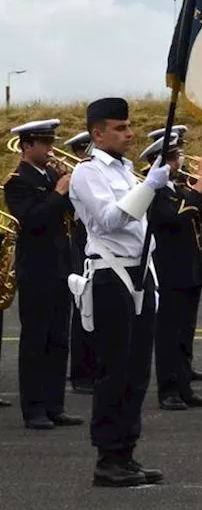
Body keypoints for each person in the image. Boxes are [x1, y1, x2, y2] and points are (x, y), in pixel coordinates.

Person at [67, 98, 167, 487]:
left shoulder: (126, 171)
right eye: (121, 128)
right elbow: (109, 221)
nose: (130, 134)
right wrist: (148, 189)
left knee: (138, 369)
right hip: (111, 277)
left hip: (139, 273)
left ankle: (127, 451)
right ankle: (108, 456)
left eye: (129, 127)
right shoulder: (88, 173)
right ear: (98, 133)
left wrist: (152, 187)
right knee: (115, 369)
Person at [4, 119, 82, 430]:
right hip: (36, 268)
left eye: (51, 141)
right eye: (44, 143)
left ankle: (55, 404)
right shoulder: (17, 181)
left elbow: (71, 215)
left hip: (61, 265)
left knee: (58, 338)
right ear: (26, 146)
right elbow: (31, 219)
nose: (51, 148)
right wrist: (59, 192)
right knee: (36, 339)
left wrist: (69, 189)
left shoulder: (51, 174)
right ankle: (34, 408)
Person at [142, 132, 202, 410]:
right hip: (169, 270)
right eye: (174, 159)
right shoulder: (154, 192)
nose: (180, 163)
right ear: (159, 163)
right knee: (168, 334)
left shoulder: (178, 190)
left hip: (191, 268)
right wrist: (198, 190)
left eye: (178, 157)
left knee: (185, 332)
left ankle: (185, 386)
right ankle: (169, 390)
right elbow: (173, 221)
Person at [63, 130, 98, 394]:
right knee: (82, 307)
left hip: (97, 244)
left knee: (97, 309)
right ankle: (81, 372)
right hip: (81, 244)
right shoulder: (77, 176)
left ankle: (94, 366)